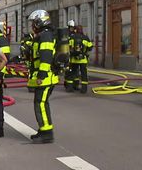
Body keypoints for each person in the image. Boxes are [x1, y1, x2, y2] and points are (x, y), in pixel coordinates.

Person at [27, 9, 59, 144]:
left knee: (40, 103)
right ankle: (43, 129)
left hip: (46, 77)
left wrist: (41, 75)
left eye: (34, 23)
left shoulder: (46, 36)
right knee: (41, 103)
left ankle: (46, 133)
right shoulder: (43, 35)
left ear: (40, 22)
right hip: (45, 77)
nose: (32, 26)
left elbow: (46, 57)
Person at [66, 22, 93, 94]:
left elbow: (68, 46)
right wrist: (85, 50)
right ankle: (84, 89)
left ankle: (70, 87)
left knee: (72, 73)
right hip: (83, 60)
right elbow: (90, 47)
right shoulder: (85, 38)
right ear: (82, 30)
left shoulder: (72, 37)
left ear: (76, 30)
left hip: (73, 59)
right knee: (84, 74)